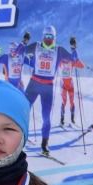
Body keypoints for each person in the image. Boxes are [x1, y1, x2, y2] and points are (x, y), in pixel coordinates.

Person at [22, 25, 83, 156]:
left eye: (51, 37)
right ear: (43, 36)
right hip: (33, 84)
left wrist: (73, 48)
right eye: (46, 36)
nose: (48, 39)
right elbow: (19, 52)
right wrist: (25, 41)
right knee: (23, 109)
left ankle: (44, 144)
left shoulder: (59, 50)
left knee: (46, 117)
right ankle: (19, 136)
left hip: (47, 88)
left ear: (54, 38)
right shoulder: (36, 46)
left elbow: (74, 60)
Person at [56, 36, 86, 129]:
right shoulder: (60, 61)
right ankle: (62, 120)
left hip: (71, 84)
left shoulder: (71, 60)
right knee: (64, 102)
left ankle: (72, 119)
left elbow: (82, 66)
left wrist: (75, 50)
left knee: (72, 102)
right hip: (63, 85)